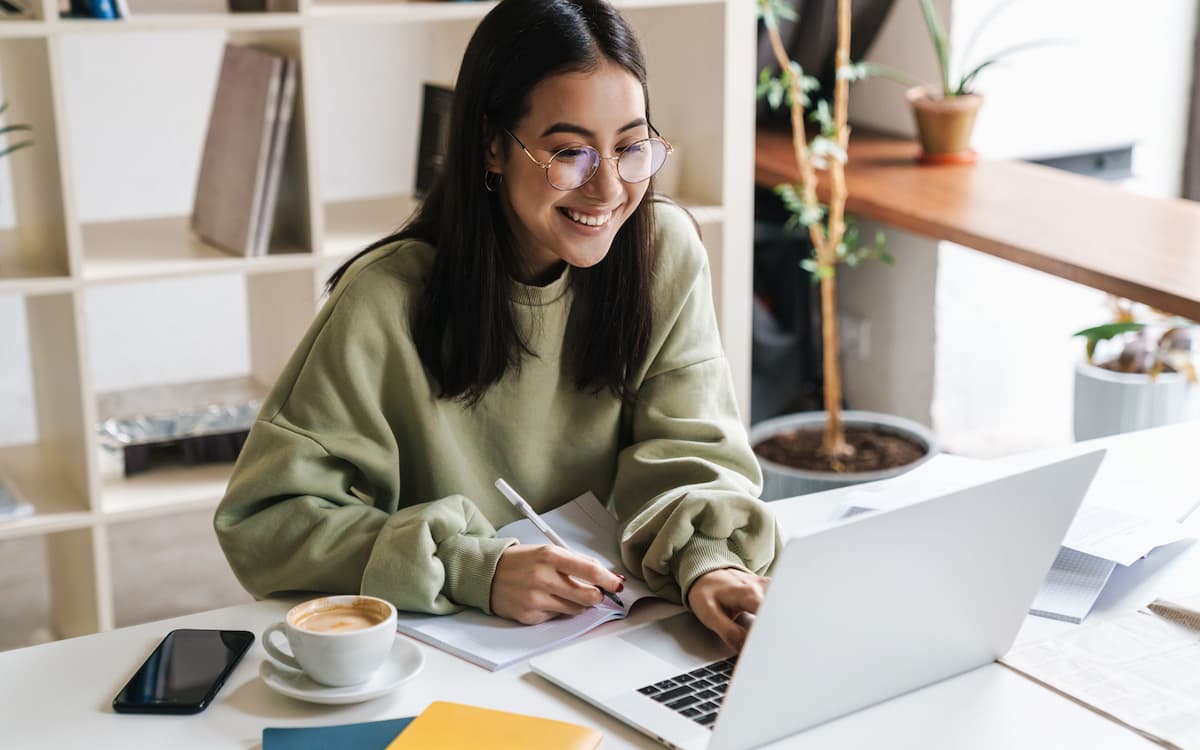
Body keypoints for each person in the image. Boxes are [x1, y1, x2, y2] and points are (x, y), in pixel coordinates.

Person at [214, 0, 780, 652]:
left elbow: (692, 455)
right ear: (490, 146)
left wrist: (712, 562)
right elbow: (266, 521)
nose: (608, 192)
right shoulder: (385, 301)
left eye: (629, 148)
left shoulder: (664, 253)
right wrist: (474, 567)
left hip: (619, 635)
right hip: (444, 655)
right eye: (570, 152)